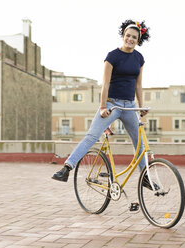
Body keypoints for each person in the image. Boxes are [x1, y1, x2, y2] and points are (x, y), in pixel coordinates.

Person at [52, 19, 151, 184]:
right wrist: (103, 107)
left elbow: (138, 85)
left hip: (130, 107)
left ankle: (145, 178)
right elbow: (105, 84)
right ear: (123, 35)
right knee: (92, 135)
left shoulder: (139, 58)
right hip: (112, 105)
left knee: (139, 142)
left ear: (138, 40)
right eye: (128, 35)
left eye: (134, 37)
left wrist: (140, 107)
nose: (130, 39)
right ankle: (67, 168)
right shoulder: (113, 56)